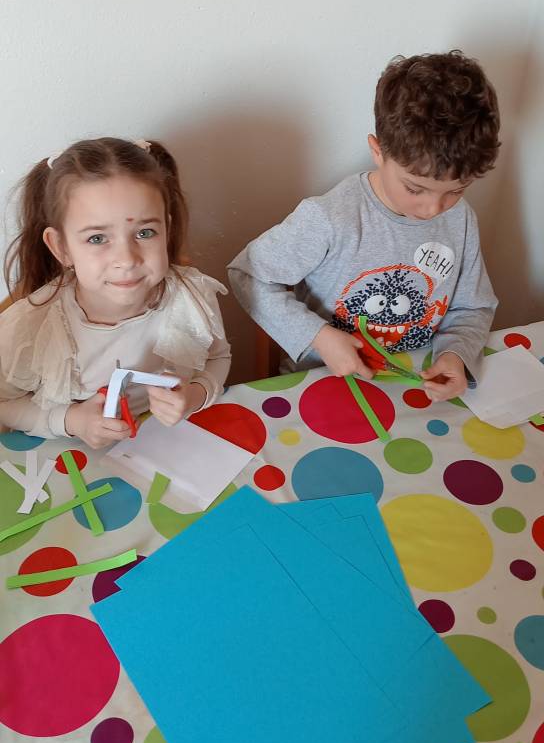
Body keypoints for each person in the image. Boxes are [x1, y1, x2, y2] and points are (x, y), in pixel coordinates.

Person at [228, 51, 500, 401]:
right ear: (378, 151)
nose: (434, 208)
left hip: (416, 386)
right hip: (323, 383)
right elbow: (247, 274)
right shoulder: (330, 218)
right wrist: (317, 336)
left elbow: (473, 307)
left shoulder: (460, 219)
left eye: (456, 190)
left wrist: (455, 354)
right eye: (415, 189)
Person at [0, 137, 230, 447]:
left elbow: (218, 357)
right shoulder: (31, 327)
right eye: (97, 238)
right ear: (61, 247)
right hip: (70, 452)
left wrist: (194, 396)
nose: (127, 259)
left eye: (145, 232)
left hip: (169, 446)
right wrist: (72, 420)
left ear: (166, 229)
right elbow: (4, 404)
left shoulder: (193, 296)